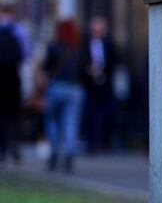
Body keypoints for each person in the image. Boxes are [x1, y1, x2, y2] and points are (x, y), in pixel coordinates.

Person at [44, 19, 84, 172]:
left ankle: (54, 150)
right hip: (74, 89)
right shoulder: (78, 49)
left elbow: (47, 67)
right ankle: (69, 154)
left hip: (56, 87)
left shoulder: (53, 47)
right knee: (70, 123)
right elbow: (83, 69)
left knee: (52, 121)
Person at [0, 4, 29, 163]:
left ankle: (3, 150)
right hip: (13, 78)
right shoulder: (19, 31)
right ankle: (14, 147)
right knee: (13, 115)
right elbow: (26, 54)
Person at [83, 16, 116, 153]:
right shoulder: (85, 44)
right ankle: (91, 143)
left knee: (105, 113)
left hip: (105, 84)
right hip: (90, 85)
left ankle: (104, 141)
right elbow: (82, 61)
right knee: (90, 113)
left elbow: (114, 62)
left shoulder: (109, 44)